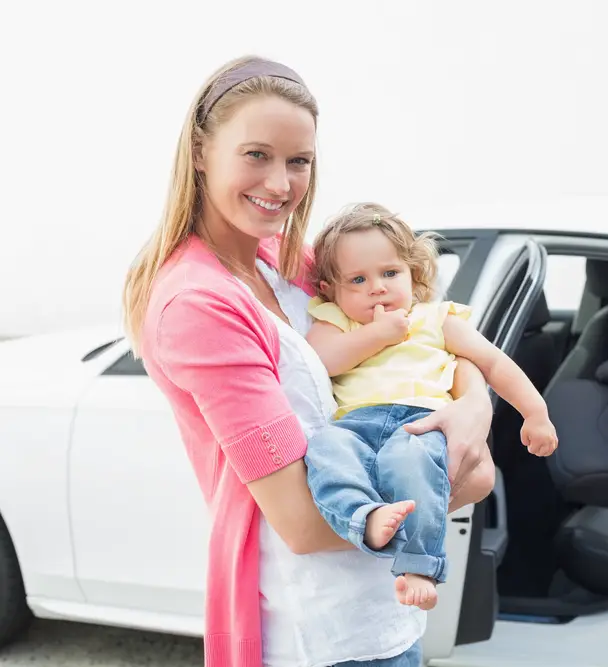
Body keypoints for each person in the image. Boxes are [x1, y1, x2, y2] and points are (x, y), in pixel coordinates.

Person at [121, 56, 496, 667]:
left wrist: (474, 406)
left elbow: (429, 329)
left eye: (299, 161)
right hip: (316, 633)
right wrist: (463, 483)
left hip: (383, 610)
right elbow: (298, 522)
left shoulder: (288, 258)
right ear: (199, 151)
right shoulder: (199, 305)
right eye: (256, 155)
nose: (280, 184)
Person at [301, 202, 558, 610]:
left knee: (413, 466)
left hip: (422, 423)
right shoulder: (336, 321)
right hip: (356, 426)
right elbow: (322, 360)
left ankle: (419, 564)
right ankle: (363, 518)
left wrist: (535, 412)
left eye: (389, 273)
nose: (377, 288)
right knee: (326, 451)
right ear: (331, 290)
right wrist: (379, 335)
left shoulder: (436, 319)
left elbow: (493, 362)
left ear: (412, 273)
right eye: (358, 279)